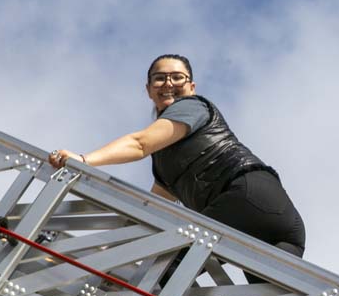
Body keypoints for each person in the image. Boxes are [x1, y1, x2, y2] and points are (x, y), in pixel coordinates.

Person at [49, 55, 306, 261]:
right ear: (148, 90)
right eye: (159, 78)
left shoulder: (192, 107)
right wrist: (114, 247)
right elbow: (153, 209)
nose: (168, 83)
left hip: (245, 195)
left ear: (192, 87)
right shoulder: (164, 163)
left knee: (165, 266)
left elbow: (139, 144)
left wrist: (84, 160)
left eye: (177, 77)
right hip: (281, 224)